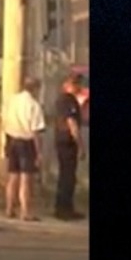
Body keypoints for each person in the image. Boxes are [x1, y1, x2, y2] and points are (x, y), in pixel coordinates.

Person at [2, 76, 46, 221]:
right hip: (26, 142)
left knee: (12, 177)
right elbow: (35, 131)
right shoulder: (34, 105)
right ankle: (25, 211)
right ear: (35, 88)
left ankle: (9, 208)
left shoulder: (13, 100)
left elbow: (5, 119)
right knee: (26, 179)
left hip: (12, 139)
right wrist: (39, 153)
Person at [53, 73, 87, 221]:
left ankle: (63, 207)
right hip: (67, 142)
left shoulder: (62, 99)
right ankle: (64, 210)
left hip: (62, 140)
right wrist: (81, 146)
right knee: (68, 177)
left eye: (79, 83)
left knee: (65, 176)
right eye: (75, 83)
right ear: (67, 84)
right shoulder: (68, 100)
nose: (78, 86)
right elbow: (72, 123)